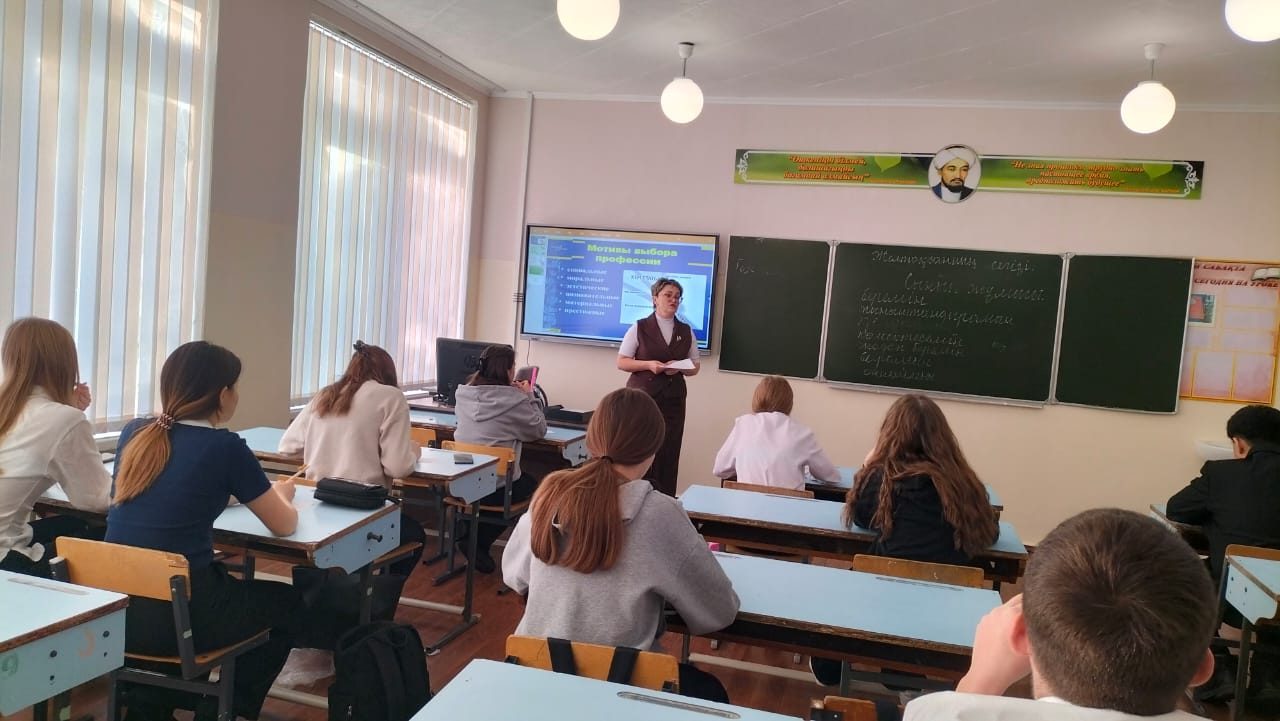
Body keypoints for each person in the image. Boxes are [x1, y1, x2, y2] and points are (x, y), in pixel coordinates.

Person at [502, 388, 739, 702]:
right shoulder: (661, 513)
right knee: (710, 692)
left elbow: (514, 576)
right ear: (653, 450)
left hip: (536, 680)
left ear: (591, 439)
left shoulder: (549, 495)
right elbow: (719, 612)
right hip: (622, 688)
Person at [108, 341, 302, 721]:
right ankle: (222, 709)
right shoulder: (224, 447)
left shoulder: (135, 433)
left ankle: (149, 708)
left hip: (121, 614)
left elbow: (173, 489)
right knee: (288, 604)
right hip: (181, 618)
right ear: (223, 394)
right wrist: (282, 493)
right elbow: (285, 524)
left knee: (192, 594)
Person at [904, 509, 1216, 721]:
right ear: (1203, 667)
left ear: (1020, 635)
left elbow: (951, 713)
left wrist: (978, 682)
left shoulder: (944, 714)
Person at [813, 393, 997, 687]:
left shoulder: (882, 480)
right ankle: (902, 675)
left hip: (883, 604)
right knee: (911, 592)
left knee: (841, 587)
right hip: (949, 611)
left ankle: (834, 663)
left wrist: (868, 465)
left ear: (890, 435)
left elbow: (860, 515)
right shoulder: (963, 484)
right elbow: (989, 532)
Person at [279, 340, 426, 576]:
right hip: (363, 507)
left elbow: (287, 447)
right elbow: (398, 468)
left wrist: (323, 446)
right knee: (415, 534)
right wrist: (414, 452)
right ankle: (379, 595)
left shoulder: (326, 394)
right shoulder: (391, 397)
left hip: (318, 503)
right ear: (388, 373)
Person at [1166, 403, 1280, 705]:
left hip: (1231, 599)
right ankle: (1270, 680)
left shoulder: (1221, 475)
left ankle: (1217, 672)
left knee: (1187, 578)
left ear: (1238, 444)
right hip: (1278, 602)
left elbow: (1176, 508)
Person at [0, 318, 110, 577]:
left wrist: (67, 408)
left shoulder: (10, 410)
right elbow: (96, 500)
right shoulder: (63, 419)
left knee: (71, 524)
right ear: (66, 365)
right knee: (109, 534)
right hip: (7, 564)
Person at [453, 343, 546, 573]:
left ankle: (470, 531)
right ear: (507, 370)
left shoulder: (463, 395)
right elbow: (538, 430)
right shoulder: (515, 400)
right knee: (532, 486)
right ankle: (480, 542)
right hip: (496, 487)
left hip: (462, 481)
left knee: (496, 482)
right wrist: (529, 395)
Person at [616, 278, 701, 496]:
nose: (673, 300)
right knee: (641, 448)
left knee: (669, 451)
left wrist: (679, 368)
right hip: (643, 399)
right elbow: (622, 361)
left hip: (673, 401)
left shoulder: (685, 330)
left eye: (677, 297)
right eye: (668, 295)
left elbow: (695, 366)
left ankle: (665, 500)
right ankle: (634, 497)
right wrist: (648, 365)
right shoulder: (640, 327)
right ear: (655, 298)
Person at [712, 375, 840, 490]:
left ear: (756, 398)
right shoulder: (803, 433)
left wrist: (746, 466)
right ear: (789, 402)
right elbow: (831, 477)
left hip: (747, 507)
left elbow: (719, 469)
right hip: (789, 508)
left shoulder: (743, 424)